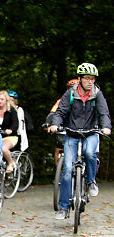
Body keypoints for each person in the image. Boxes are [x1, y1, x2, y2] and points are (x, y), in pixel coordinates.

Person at [48, 63, 111, 219]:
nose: (90, 82)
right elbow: (60, 111)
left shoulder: (97, 94)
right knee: (67, 171)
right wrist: (55, 124)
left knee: (90, 154)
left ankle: (90, 182)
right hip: (72, 134)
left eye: (92, 79)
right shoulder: (70, 93)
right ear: (79, 79)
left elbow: (104, 113)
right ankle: (63, 208)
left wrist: (106, 127)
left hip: (90, 132)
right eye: (87, 78)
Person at [45, 79, 79, 167]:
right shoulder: (61, 100)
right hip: (64, 126)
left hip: (79, 126)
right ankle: (58, 172)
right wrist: (49, 123)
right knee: (58, 149)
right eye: (70, 88)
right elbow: (53, 113)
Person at [0, 90, 19, 173]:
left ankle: (10, 162)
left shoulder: (12, 111)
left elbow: (15, 124)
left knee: (3, 148)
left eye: (2, 99)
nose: (0, 101)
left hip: (10, 136)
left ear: (6, 100)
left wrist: (10, 130)